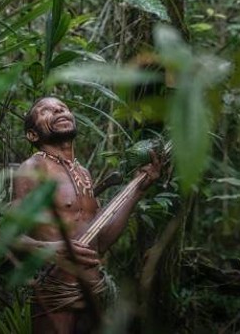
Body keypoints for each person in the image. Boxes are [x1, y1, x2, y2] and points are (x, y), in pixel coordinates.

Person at [13, 96, 161, 334]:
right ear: (33, 135)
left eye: (63, 107)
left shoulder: (84, 173)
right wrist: (52, 248)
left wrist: (138, 189)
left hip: (94, 294)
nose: (59, 110)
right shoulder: (33, 168)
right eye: (46, 111)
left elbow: (100, 243)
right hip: (56, 294)